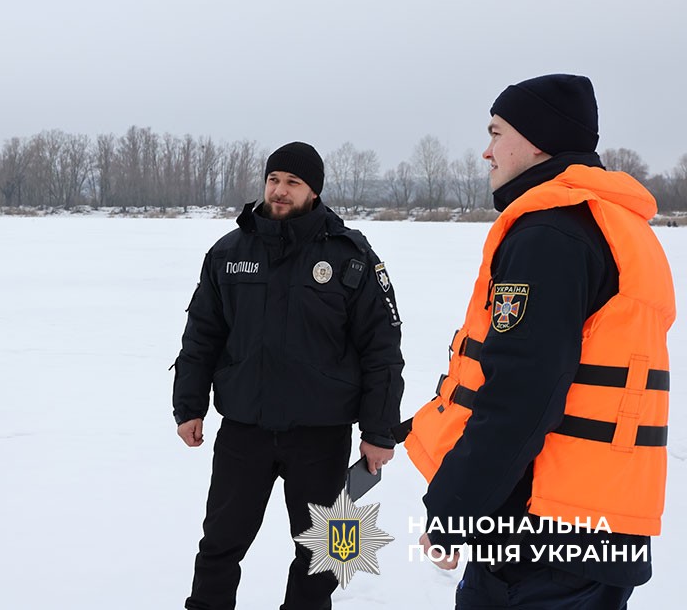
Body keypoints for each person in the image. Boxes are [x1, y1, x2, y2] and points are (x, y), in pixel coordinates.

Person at [405, 74, 675, 609]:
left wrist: (454, 510)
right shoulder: (618, 226)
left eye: (495, 131)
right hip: (606, 526)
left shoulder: (549, 234)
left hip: (540, 538)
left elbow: (521, 396)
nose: (486, 151)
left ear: (535, 141)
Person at [172, 142, 405, 610]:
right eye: (273, 179)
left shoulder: (351, 255)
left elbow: (382, 349)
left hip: (322, 436)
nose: (279, 191)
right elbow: (202, 335)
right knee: (219, 545)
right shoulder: (228, 252)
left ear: (313, 192)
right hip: (244, 431)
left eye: (292, 182)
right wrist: (189, 406)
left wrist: (379, 431)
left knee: (324, 553)